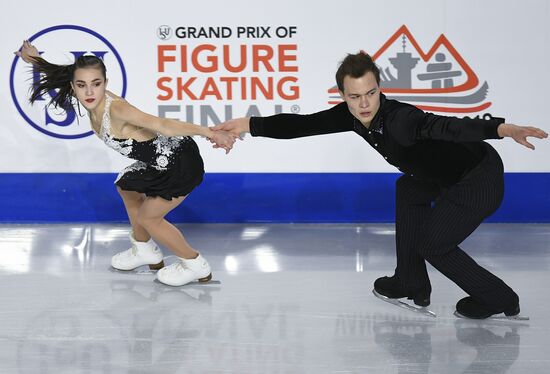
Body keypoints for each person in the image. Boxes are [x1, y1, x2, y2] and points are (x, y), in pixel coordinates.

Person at [212, 52, 548, 319]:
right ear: (343, 96)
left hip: (476, 178)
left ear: (379, 88)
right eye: (354, 96)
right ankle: (410, 281)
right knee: (408, 189)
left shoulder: (402, 120)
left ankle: (499, 297)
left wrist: (502, 129)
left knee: (434, 246)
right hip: (442, 175)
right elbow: (302, 125)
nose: (364, 104)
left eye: (371, 93)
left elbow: (449, 127)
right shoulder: (350, 115)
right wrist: (246, 124)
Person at [16, 40, 237, 287]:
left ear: (105, 84)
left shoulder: (117, 109)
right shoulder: (86, 95)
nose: (89, 92)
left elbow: (162, 124)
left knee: (149, 218)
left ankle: (196, 264)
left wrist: (208, 132)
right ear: (73, 86)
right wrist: (34, 59)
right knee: (127, 186)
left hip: (180, 162)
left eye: (96, 84)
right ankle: (144, 250)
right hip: (158, 160)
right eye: (82, 85)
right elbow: (58, 72)